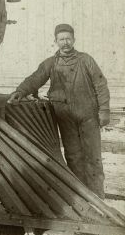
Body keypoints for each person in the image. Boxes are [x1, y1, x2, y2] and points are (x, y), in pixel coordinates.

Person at [8, 24, 110, 198]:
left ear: (74, 40)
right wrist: (20, 91)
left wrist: (104, 110)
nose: (66, 42)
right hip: (64, 117)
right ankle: (81, 195)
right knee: (73, 155)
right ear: (55, 41)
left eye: (68, 38)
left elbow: (101, 85)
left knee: (93, 155)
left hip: (88, 115)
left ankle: (98, 195)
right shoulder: (51, 63)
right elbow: (35, 78)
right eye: (62, 39)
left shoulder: (86, 60)